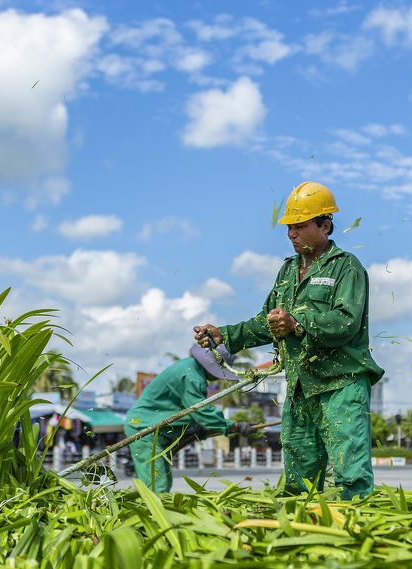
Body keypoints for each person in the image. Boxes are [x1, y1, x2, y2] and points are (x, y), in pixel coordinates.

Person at [194, 181, 384, 500]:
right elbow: (266, 322)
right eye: (289, 227)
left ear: (325, 226)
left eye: (300, 226)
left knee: (351, 477)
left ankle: (356, 535)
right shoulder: (286, 272)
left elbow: (345, 322)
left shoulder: (346, 268)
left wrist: (298, 323)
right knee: (298, 483)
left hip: (341, 386)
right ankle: (300, 539)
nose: (291, 234)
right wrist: (224, 334)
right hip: (300, 388)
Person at [125, 345, 254, 492]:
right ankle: (154, 513)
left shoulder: (190, 369)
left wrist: (198, 429)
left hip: (156, 428)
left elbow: (185, 411)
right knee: (157, 486)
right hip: (143, 428)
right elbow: (200, 410)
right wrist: (233, 426)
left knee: (161, 482)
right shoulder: (191, 376)